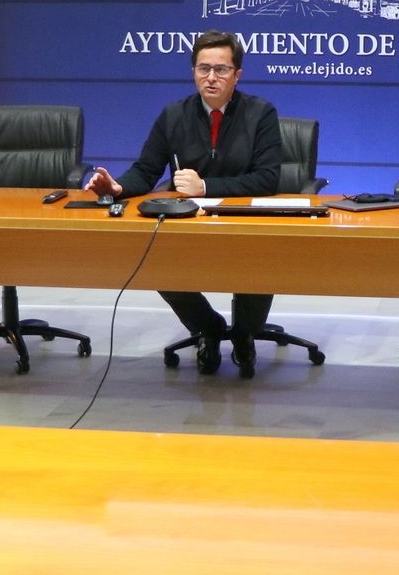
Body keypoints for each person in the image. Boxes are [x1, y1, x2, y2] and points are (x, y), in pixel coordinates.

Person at [84, 29, 283, 377]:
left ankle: (244, 335)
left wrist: (205, 186)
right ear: (192, 71)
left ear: (237, 74)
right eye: (203, 68)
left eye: (221, 70)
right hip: (187, 221)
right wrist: (117, 188)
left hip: (243, 219)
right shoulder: (174, 114)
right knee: (154, 256)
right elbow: (146, 170)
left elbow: (268, 178)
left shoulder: (261, 114)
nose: (211, 78)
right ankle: (206, 327)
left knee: (261, 258)